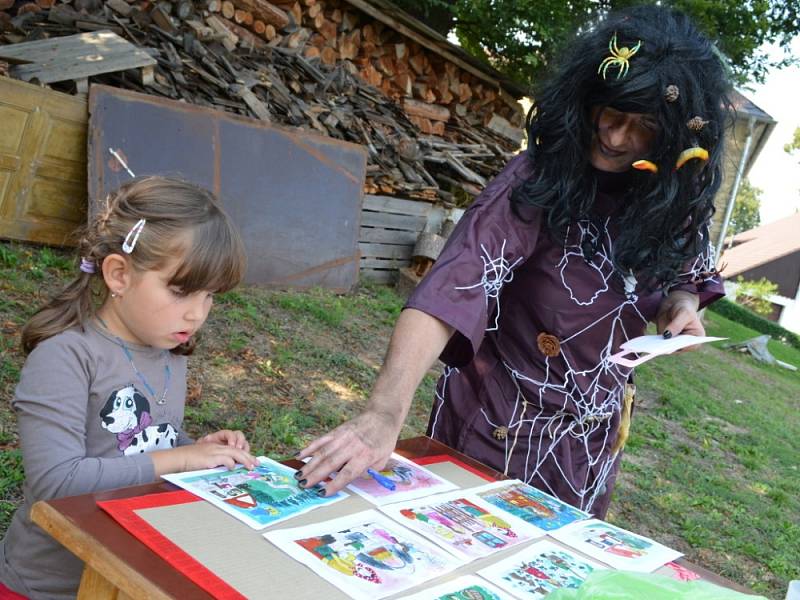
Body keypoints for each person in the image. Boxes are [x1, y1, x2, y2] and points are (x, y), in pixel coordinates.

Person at [297, 5, 729, 517]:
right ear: (586, 96)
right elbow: (455, 285)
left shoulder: (673, 196)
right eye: (610, 113)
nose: (614, 136)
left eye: (642, 126)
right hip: (494, 425)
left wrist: (681, 305)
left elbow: (684, 275)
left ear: (677, 138)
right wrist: (384, 412)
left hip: (587, 448)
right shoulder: (537, 180)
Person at [0, 177, 259, 599]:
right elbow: (55, 482)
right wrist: (179, 458)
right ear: (119, 274)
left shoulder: (169, 352)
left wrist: (199, 449)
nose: (197, 314)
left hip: (129, 572)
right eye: (182, 291)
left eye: (210, 296)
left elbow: (141, 443)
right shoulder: (66, 357)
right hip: (48, 584)